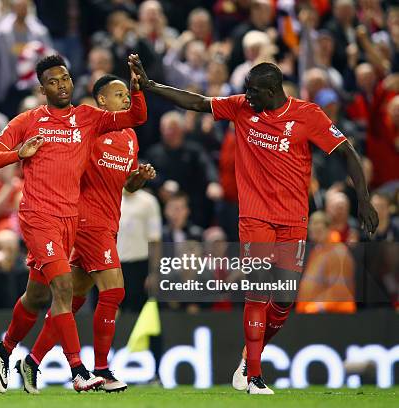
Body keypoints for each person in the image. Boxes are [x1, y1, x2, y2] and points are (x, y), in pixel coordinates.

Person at [128, 54, 378, 394]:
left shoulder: (307, 116)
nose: (247, 97)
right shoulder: (241, 109)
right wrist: (153, 86)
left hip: (293, 219)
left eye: (253, 91)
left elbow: (347, 151)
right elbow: (198, 103)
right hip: (255, 216)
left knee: (285, 300)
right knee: (258, 290)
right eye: (246, 90)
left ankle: (250, 357)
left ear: (273, 90)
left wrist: (363, 199)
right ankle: (255, 376)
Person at [0, 55, 147, 394]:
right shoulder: (28, 121)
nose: (62, 85)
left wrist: (137, 87)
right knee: (64, 290)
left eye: (66, 79)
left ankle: (5, 348)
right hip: (39, 216)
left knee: (36, 294)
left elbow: (135, 116)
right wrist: (19, 153)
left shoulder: (88, 118)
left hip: (69, 220)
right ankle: (80, 371)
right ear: (42, 89)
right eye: (53, 82)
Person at [19, 74, 156, 393]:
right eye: (118, 94)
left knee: (74, 299)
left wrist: (139, 177)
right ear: (102, 102)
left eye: (126, 94)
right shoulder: (90, 132)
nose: (125, 99)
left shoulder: (131, 138)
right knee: (114, 292)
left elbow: (127, 186)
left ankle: (33, 361)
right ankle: (102, 369)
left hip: (108, 222)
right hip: (86, 221)